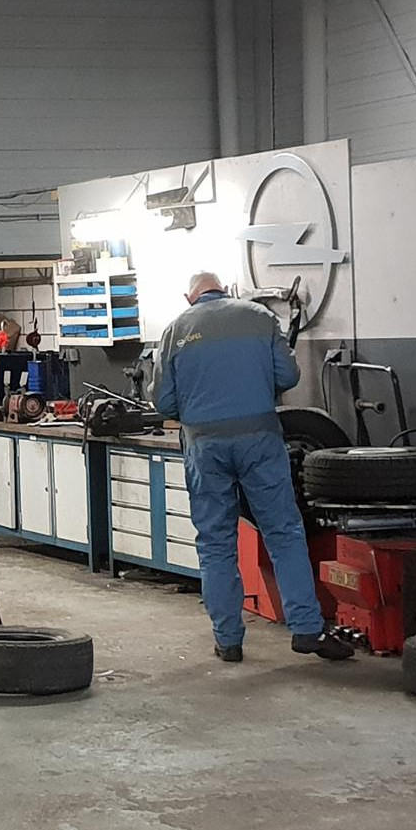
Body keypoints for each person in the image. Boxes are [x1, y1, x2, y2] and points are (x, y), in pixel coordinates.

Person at [153, 271, 353, 663]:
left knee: (216, 543)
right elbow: (288, 375)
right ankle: (307, 630)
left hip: (204, 446)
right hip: (259, 441)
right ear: (225, 290)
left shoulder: (175, 330)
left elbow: (163, 402)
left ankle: (228, 641)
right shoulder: (259, 317)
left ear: (189, 297)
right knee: (284, 533)